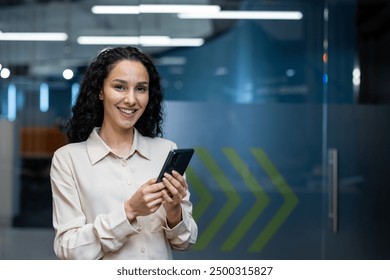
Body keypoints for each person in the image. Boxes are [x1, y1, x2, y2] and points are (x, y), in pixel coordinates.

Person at [50, 46, 198, 260]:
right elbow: (69, 250)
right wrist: (129, 211)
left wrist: (174, 210)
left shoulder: (166, 151)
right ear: (100, 91)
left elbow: (185, 242)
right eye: (120, 87)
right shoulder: (68, 159)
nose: (131, 99)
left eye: (141, 88)